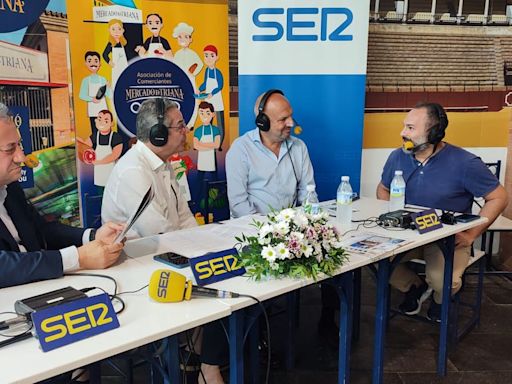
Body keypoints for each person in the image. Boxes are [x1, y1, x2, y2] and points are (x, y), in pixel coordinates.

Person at [377, 102, 508, 321]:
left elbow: (499, 197)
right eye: (404, 126)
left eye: (410, 128)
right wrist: (391, 217)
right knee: (375, 262)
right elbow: (383, 189)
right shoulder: (397, 156)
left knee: (442, 282)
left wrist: (472, 234)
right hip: (406, 235)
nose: (402, 133)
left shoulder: (465, 162)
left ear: (434, 132)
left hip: (447, 238)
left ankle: (440, 300)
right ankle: (414, 288)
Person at [0, 103, 124, 289]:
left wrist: (93, 236)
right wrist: (78, 258)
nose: (21, 157)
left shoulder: (10, 188)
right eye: (10, 149)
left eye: (20, 145)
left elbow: (41, 230)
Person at [101, 98, 197, 238]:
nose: (186, 130)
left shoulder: (163, 162)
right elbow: (158, 233)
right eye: (180, 126)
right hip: (140, 256)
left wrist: (202, 248)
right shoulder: (133, 171)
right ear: (159, 134)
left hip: (169, 250)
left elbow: (184, 217)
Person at [226, 89, 315, 218]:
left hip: (291, 229)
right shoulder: (240, 149)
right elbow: (238, 205)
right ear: (263, 122)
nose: (291, 123)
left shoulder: (299, 147)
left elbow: (308, 192)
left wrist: (310, 220)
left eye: (291, 116)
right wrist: (268, 231)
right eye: (283, 119)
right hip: (252, 229)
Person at [76, 109, 123, 188]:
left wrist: (100, 162)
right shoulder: (94, 136)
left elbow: (115, 154)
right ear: (95, 121)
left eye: (106, 120)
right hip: (98, 173)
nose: (102, 122)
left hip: (111, 172)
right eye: (99, 119)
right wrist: (78, 141)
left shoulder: (116, 137)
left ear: (112, 123)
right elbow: (86, 147)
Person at [197, 45, 225, 150]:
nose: (208, 58)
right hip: (209, 99)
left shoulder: (217, 72)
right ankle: (208, 142)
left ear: (216, 57)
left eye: (211, 55)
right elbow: (205, 83)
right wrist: (200, 89)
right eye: (206, 55)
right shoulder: (206, 71)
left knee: (220, 124)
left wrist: (212, 93)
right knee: (208, 121)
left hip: (216, 100)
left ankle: (220, 144)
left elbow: (220, 85)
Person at [78, 51, 111, 133]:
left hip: (103, 110)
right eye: (89, 61)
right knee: (95, 131)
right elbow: (82, 95)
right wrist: (92, 99)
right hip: (93, 111)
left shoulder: (103, 79)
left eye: (96, 61)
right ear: (86, 63)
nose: (93, 64)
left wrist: (109, 87)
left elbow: (109, 95)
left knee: (105, 130)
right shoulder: (86, 80)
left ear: (100, 64)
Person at [102, 19, 128, 89]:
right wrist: (109, 62)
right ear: (109, 30)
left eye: (119, 29)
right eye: (113, 29)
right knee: (116, 82)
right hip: (116, 67)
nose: (116, 32)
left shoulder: (123, 43)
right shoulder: (111, 44)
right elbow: (104, 54)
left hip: (124, 66)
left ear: (123, 30)